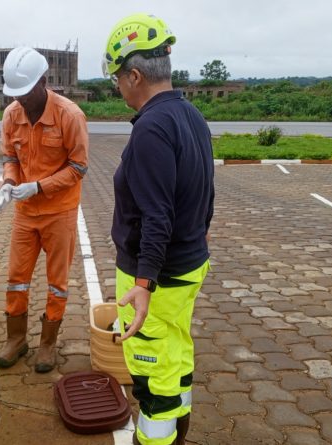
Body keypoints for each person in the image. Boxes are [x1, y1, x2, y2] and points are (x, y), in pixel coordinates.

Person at [102, 13, 215, 445]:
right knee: (175, 350)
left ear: (135, 75)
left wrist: (144, 281)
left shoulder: (151, 128)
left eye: (118, 78)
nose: (117, 87)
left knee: (151, 373)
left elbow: (157, 215)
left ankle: (154, 437)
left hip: (156, 277)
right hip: (187, 266)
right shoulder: (191, 116)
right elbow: (203, 195)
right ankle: (179, 431)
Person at [0, 46, 89, 373]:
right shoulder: (11, 116)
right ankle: (16, 338)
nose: (20, 100)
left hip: (59, 211)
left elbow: (78, 167)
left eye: (25, 92)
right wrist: (8, 182)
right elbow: (9, 157)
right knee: (16, 277)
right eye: (14, 94)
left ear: (44, 81)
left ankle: (48, 343)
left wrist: (39, 186)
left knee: (56, 280)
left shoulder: (69, 115)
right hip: (25, 213)